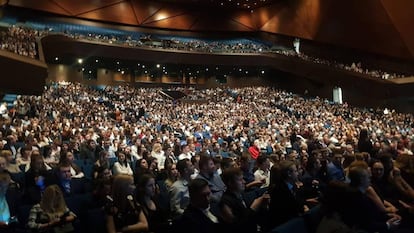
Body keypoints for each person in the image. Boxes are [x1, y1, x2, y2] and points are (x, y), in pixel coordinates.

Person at [220, 167, 270, 233]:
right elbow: (235, 227)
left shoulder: (241, 194)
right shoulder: (225, 203)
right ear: (230, 183)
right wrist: (253, 208)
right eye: (240, 180)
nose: (244, 181)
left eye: (243, 179)